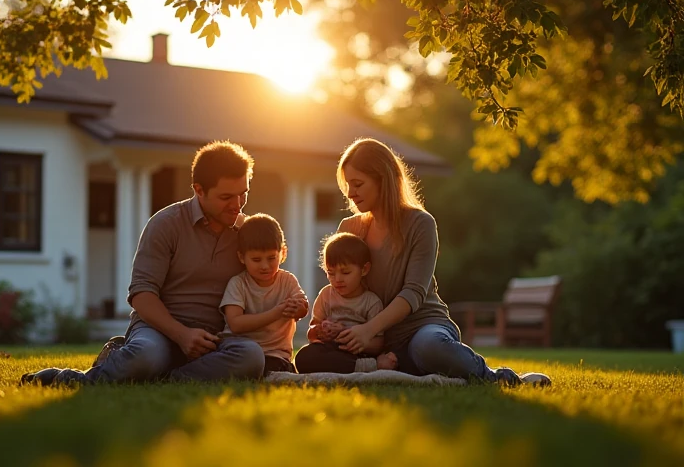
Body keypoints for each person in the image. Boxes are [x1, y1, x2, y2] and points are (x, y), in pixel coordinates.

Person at [293, 138, 551, 387]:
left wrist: (368, 330)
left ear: (383, 180)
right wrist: (333, 329)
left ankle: (499, 377)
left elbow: (413, 292)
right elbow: (344, 289)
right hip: (371, 341)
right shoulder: (349, 228)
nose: (351, 193)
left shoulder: (420, 224)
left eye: (358, 184)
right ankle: (401, 366)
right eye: (348, 185)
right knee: (309, 357)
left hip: (419, 328)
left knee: (429, 346)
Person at [21, 140, 266, 385]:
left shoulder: (245, 232)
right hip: (159, 331)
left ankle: (166, 379)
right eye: (226, 197)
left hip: (214, 338)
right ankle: (69, 379)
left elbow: (263, 284)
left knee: (251, 356)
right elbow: (141, 294)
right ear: (199, 189)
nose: (237, 205)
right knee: (146, 355)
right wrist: (182, 335)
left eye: (243, 194)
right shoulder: (165, 224)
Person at [219, 213, 309, 377]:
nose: (265, 266)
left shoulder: (287, 280)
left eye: (271, 258)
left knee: (276, 367)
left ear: (283, 253)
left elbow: (303, 308)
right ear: (241, 257)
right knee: (250, 359)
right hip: (241, 349)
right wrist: (276, 312)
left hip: (276, 354)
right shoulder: (238, 284)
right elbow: (236, 324)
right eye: (256, 259)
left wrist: (298, 308)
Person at [295, 232, 398, 373]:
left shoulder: (371, 302)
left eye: (345, 272)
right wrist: (321, 331)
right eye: (331, 273)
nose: (337, 279)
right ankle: (369, 367)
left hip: (357, 352)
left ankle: (366, 365)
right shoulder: (326, 295)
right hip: (330, 350)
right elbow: (312, 333)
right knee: (303, 357)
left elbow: (378, 344)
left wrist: (351, 336)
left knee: (351, 358)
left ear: (364, 269)